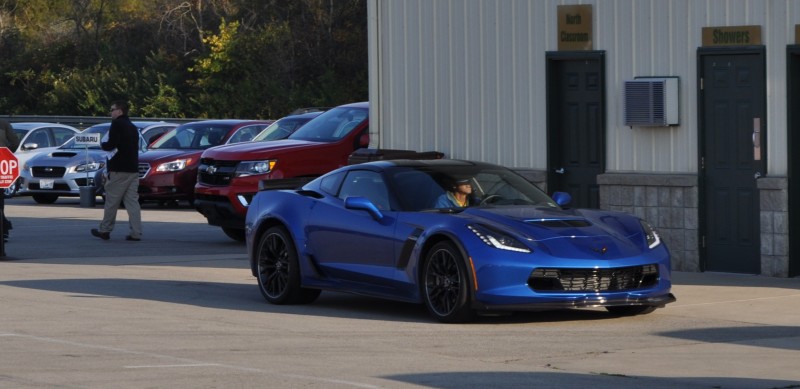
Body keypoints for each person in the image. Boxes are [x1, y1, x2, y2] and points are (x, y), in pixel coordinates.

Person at [91, 101, 142, 241]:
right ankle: (136, 232)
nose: (110, 112)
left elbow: (111, 144)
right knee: (132, 202)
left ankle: (105, 230)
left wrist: (103, 144)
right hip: (133, 169)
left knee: (111, 201)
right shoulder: (133, 127)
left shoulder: (117, 124)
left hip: (119, 170)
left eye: (112, 109)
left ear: (120, 111)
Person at [0, 118, 19, 246]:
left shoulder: (3, 123)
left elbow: (15, 143)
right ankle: (4, 227)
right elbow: (14, 143)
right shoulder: (3, 123)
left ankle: (4, 227)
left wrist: (6, 154)